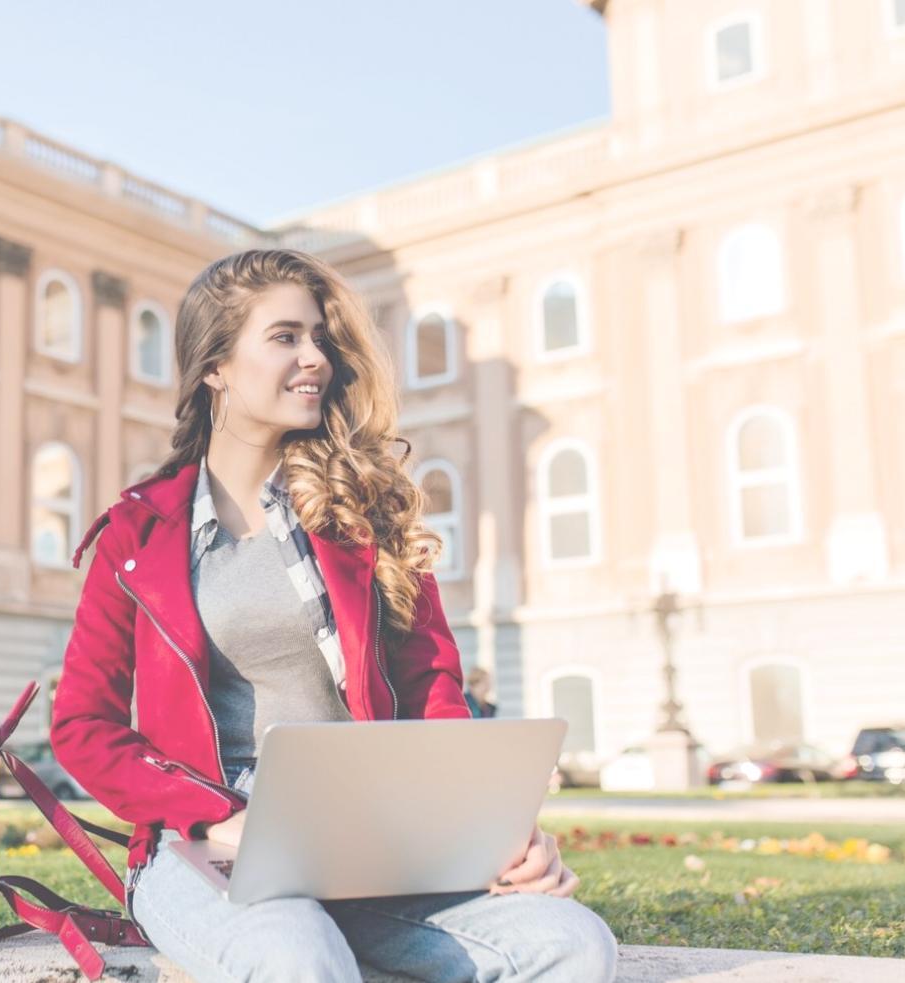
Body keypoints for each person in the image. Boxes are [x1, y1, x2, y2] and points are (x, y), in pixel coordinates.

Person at [51, 249, 617, 982]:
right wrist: (220, 814)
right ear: (215, 367)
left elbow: (432, 686)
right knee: (296, 954)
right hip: (211, 836)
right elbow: (81, 727)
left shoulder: (366, 510)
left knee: (575, 940)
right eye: (285, 337)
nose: (314, 356)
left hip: (372, 836)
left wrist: (495, 833)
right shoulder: (137, 534)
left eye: (318, 337)